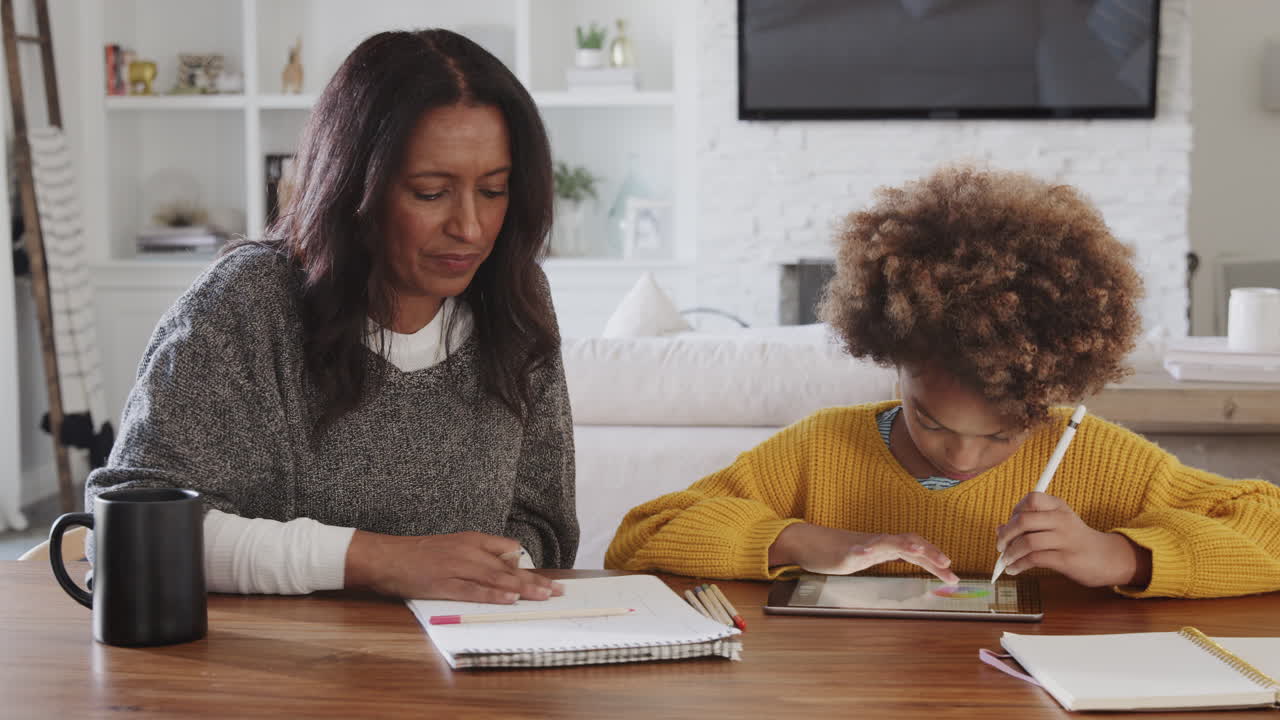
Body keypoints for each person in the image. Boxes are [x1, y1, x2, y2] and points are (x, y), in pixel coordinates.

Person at [606, 166, 1280, 599]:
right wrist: (806, 540)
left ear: (1050, 400)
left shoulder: (1099, 459)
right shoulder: (820, 450)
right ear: (893, 358)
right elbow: (641, 534)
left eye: (1001, 433)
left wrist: (1120, 556)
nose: (959, 456)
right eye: (929, 420)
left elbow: (1268, 525)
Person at [87, 29, 579, 603]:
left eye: (493, 190)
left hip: (459, 663)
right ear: (353, 188)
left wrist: (490, 570)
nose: (469, 228)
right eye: (429, 193)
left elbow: (543, 525)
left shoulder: (516, 300)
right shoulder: (246, 302)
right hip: (268, 676)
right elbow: (128, 532)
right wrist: (378, 560)